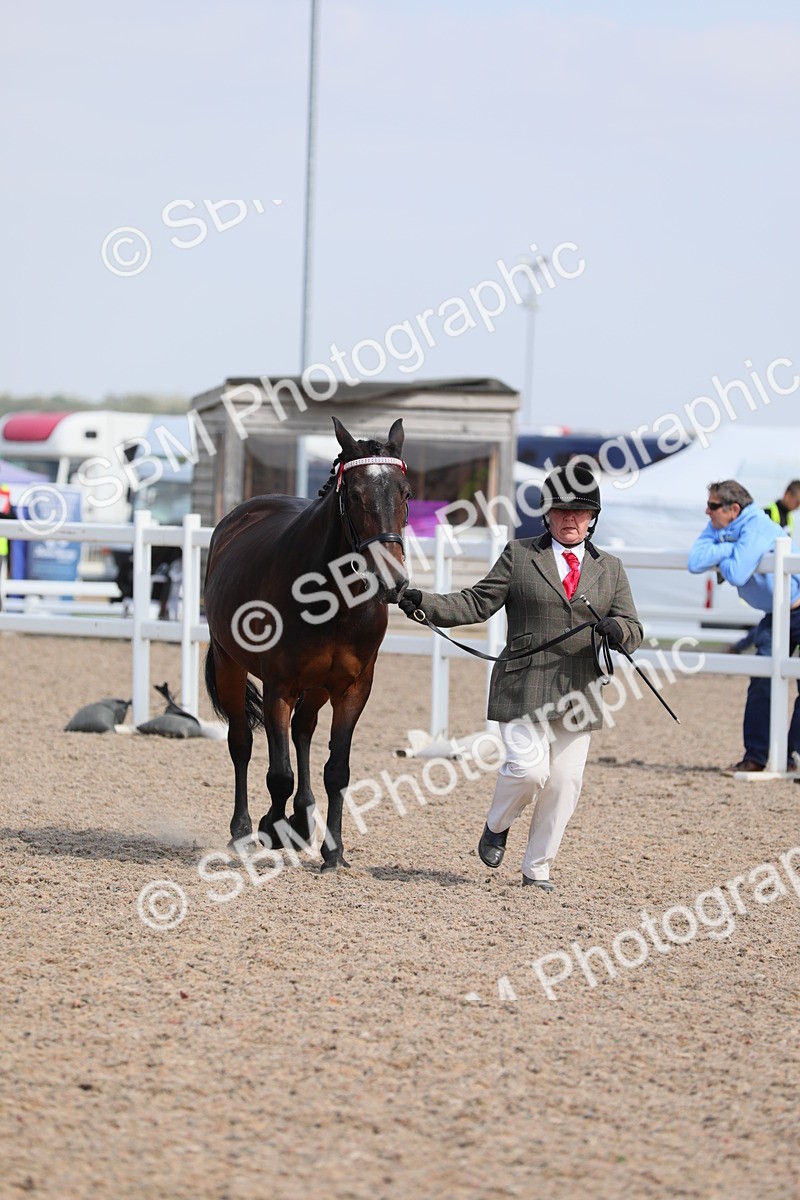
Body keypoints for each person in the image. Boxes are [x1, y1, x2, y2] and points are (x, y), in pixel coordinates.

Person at [397, 463, 643, 891]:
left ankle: (537, 868)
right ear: (546, 514)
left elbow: (633, 627)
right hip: (523, 683)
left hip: (579, 689)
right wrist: (425, 604)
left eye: (580, 512)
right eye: (561, 510)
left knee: (565, 783)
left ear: (592, 518)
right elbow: (476, 602)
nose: (570, 519)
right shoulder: (520, 555)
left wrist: (617, 630)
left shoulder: (612, 569)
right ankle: (497, 823)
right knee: (529, 772)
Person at [687, 479, 800, 772]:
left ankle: (792, 755)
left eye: (712, 506)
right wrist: (731, 549)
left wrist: (726, 550)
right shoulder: (723, 526)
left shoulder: (756, 524)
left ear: (733, 508)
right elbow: (694, 561)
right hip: (775, 613)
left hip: (794, 607)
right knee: (761, 681)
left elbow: (735, 574)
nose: (707, 511)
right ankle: (757, 757)